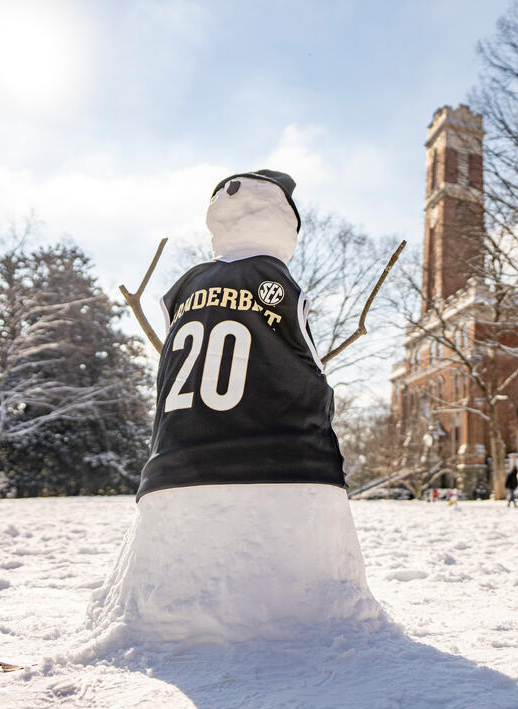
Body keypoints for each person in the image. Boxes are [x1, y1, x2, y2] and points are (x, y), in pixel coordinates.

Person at [86, 169, 380, 650]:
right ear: (284, 222)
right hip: (284, 467)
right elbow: (307, 363)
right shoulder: (276, 282)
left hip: (172, 469)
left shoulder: (183, 287)